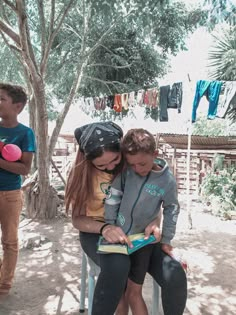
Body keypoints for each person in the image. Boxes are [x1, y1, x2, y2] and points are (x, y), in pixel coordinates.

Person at [65, 122, 187, 315]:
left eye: (114, 160)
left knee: (175, 274)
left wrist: (156, 222)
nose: (110, 168)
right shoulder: (82, 175)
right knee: (118, 266)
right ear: (89, 161)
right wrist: (105, 228)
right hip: (96, 232)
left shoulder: (133, 165)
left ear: (121, 150)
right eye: (101, 165)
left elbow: (156, 202)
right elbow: (77, 220)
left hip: (138, 236)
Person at [104, 128, 185, 315]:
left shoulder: (167, 181)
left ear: (155, 154)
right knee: (119, 293)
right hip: (119, 240)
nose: (137, 169)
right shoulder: (126, 173)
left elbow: (172, 208)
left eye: (142, 163)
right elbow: (114, 195)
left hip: (143, 244)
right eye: (131, 164)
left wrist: (166, 240)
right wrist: (110, 223)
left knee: (134, 292)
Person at [0, 83, 36, 295]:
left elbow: (24, 168)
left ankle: (5, 284)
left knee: (10, 240)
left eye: (2, 99)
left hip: (10, 195)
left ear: (18, 106)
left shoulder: (25, 133)